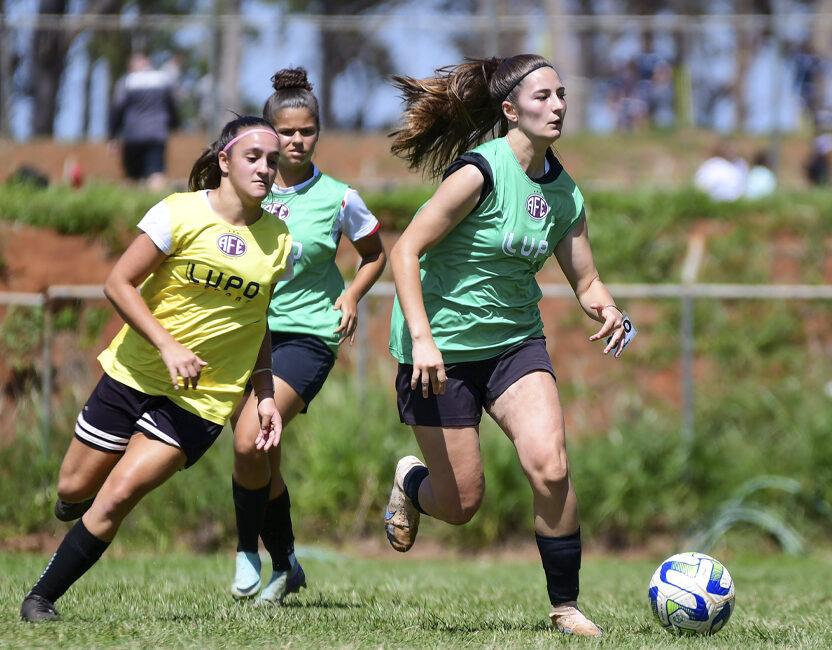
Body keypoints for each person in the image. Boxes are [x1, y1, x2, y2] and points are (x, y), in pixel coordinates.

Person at [382, 54, 633, 637]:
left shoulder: (565, 193)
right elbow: (405, 251)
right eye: (543, 96)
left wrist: (609, 307)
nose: (558, 105)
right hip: (437, 350)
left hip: (514, 344)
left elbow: (587, 280)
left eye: (563, 95)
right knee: (462, 503)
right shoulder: (479, 173)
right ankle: (413, 484)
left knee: (551, 466)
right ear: (509, 109)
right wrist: (422, 339)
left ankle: (565, 605)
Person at [20, 116, 292, 622]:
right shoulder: (179, 213)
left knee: (120, 492)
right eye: (253, 157)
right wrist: (167, 346)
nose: (264, 168)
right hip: (133, 374)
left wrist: (266, 394)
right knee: (74, 489)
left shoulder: (279, 242)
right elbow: (118, 283)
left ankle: (40, 599)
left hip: (202, 400)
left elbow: (259, 326)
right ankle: (74, 506)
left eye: (272, 161)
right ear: (225, 162)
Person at [229, 68, 386, 605]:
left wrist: (350, 296)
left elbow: (375, 254)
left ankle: (246, 551)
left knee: (251, 438)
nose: (296, 141)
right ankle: (288, 563)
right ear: (268, 134)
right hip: (246, 337)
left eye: (307, 131)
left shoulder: (341, 197)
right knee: (262, 457)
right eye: (286, 132)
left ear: (318, 132)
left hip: (307, 339)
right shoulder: (245, 194)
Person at [109, 53, 180, 191]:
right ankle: (154, 205)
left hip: (133, 134)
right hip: (157, 133)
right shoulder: (163, 80)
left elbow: (117, 108)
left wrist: (112, 135)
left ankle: (132, 208)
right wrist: (174, 125)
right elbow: (172, 106)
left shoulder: (127, 81)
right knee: (156, 173)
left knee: (131, 177)